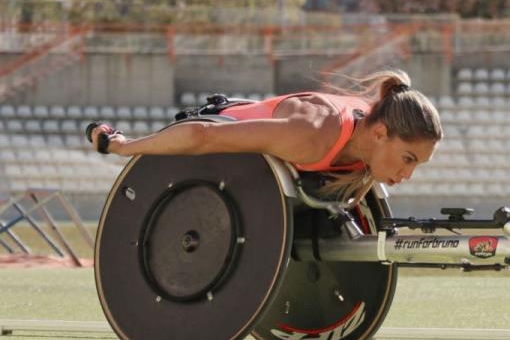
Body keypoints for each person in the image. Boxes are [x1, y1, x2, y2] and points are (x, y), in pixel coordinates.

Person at [88, 70, 442, 203]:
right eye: (408, 159)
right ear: (380, 133)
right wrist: (123, 146)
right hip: (212, 129)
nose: (407, 175)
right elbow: (202, 137)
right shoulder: (312, 134)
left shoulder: (371, 133)